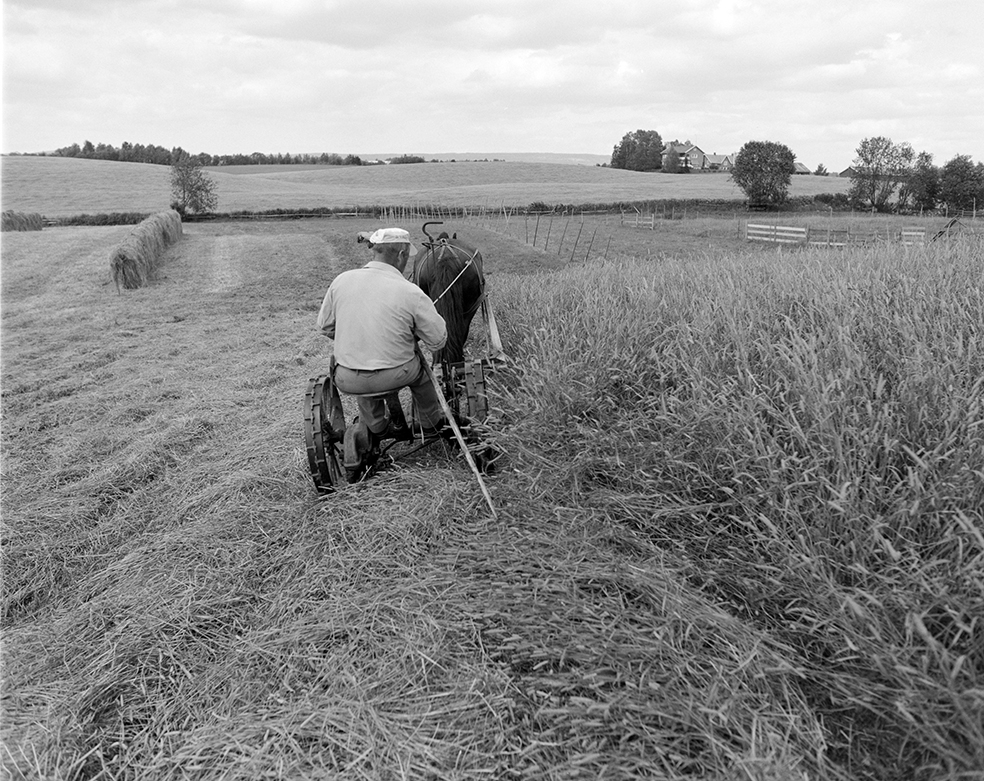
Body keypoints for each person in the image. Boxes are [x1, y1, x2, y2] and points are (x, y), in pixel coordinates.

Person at [316, 227, 447, 445]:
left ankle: (377, 426)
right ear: (402, 255)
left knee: (360, 372)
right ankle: (429, 423)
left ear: (375, 252)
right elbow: (438, 339)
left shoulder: (341, 281)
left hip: (347, 379)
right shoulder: (409, 291)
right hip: (397, 373)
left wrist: (359, 338)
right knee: (423, 376)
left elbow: (324, 326)